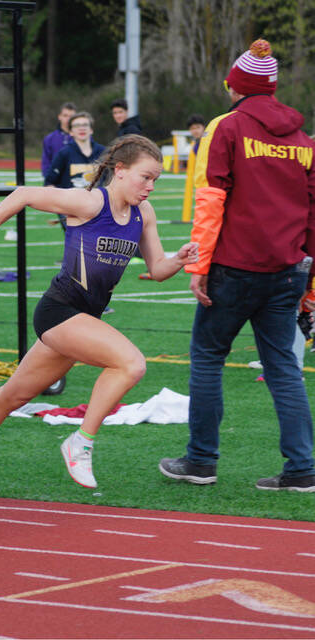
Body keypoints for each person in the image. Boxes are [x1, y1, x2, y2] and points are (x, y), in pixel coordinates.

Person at [0, 134, 198, 509]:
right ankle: (81, 442)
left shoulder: (145, 214)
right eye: (146, 177)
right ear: (120, 171)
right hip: (59, 311)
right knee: (131, 364)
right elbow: (23, 194)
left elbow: (156, 269)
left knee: (13, 395)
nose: (150, 187)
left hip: (81, 320)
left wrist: (179, 260)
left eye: (155, 179)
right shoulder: (89, 202)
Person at [158, 39, 315, 493]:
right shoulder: (304, 140)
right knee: (284, 367)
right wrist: (310, 281)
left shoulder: (226, 127)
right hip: (287, 268)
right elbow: (312, 215)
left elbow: (211, 199)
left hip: (233, 266)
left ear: (235, 87)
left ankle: (200, 460)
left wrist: (199, 264)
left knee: (208, 358)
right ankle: (302, 467)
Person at [44, 111, 105, 230]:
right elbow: (49, 183)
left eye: (85, 125)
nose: (82, 128)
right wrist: (63, 206)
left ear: (91, 130)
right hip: (72, 210)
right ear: (71, 132)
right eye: (77, 125)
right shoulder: (63, 154)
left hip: (99, 209)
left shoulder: (104, 152)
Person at [41, 101, 77, 178]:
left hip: (77, 180)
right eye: (65, 115)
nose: (68, 119)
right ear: (59, 116)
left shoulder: (83, 137)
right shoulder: (49, 138)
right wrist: (49, 179)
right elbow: (46, 163)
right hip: (56, 181)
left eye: (71, 116)